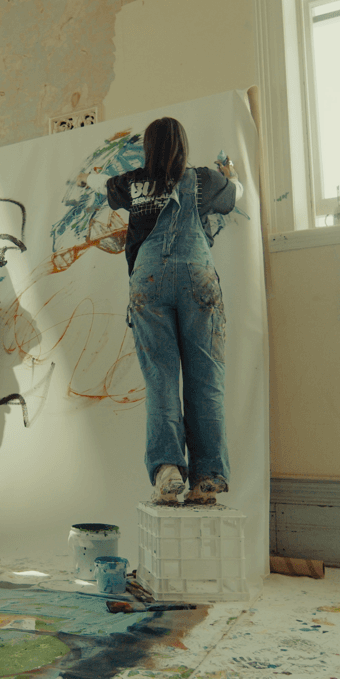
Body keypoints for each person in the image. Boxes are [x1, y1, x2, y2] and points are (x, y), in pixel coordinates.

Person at [105, 117, 240, 505]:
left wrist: (138, 179)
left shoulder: (131, 183)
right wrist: (228, 173)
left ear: (148, 149)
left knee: (161, 379)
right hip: (196, 278)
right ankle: (208, 476)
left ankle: (167, 471)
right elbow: (235, 194)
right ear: (183, 145)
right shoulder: (202, 181)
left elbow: (110, 192)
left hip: (148, 282)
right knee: (205, 378)